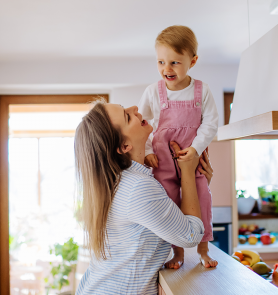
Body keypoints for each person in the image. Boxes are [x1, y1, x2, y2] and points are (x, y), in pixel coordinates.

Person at [74, 100, 214, 295]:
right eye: (127, 116)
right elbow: (190, 235)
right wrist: (188, 173)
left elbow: (173, 220)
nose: (135, 109)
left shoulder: (121, 182)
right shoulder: (138, 187)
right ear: (124, 146)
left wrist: (198, 185)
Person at [138, 25, 219, 268]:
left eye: (174, 62)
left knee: (202, 198)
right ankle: (178, 253)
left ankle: (203, 250)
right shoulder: (154, 92)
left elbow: (211, 124)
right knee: (170, 202)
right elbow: (143, 127)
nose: (167, 69)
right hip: (163, 159)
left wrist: (195, 149)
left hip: (192, 158)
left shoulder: (201, 90)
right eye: (161, 62)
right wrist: (150, 153)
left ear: (192, 61)